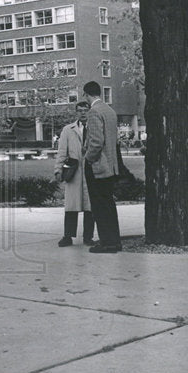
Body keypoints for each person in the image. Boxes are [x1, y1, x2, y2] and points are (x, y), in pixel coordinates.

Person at [82, 81, 121, 254]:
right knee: (109, 205)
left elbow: (96, 142)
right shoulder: (110, 111)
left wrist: (88, 158)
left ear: (87, 94)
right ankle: (114, 241)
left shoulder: (94, 112)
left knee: (99, 206)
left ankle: (107, 243)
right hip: (111, 166)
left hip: (98, 166)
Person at [54, 102, 95, 247]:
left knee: (90, 206)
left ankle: (88, 237)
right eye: (80, 111)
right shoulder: (68, 130)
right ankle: (68, 236)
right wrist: (58, 169)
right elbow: (61, 152)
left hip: (91, 171)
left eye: (85, 110)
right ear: (76, 112)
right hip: (74, 172)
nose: (83, 113)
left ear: (90, 111)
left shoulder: (95, 128)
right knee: (71, 205)